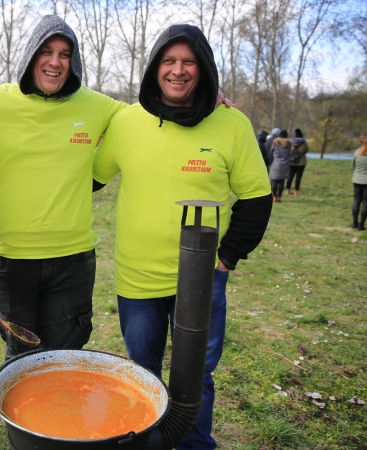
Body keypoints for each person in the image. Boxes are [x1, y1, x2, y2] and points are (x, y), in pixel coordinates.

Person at [0, 16, 232, 360]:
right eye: (46, 52)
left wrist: (205, 97)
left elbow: (153, 114)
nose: (55, 63)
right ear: (30, 56)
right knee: (20, 355)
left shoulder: (99, 107)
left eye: (65, 54)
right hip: (12, 258)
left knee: (65, 355)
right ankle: (24, 433)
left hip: (73, 259)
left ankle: (60, 430)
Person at [92, 24, 272, 449]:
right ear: (155, 68)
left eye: (188, 61)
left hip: (202, 281)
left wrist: (225, 259)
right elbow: (87, 181)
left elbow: (257, 197)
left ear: (203, 67)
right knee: (143, 374)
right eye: (168, 61)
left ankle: (194, 444)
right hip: (137, 282)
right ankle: (149, 443)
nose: (177, 71)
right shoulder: (126, 122)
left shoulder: (231, 123)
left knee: (195, 378)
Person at [269, 130, 291, 202]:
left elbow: (271, 151)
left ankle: (274, 196)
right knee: (282, 182)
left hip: (276, 164)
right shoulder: (288, 143)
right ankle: (279, 197)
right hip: (285, 165)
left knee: (274, 181)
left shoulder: (275, 142)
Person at [286, 128, 309, 195]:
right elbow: (306, 150)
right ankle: (296, 191)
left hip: (291, 162)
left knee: (290, 176)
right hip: (301, 163)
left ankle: (287, 189)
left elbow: (289, 151)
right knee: (298, 177)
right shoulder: (304, 144)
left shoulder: (291, 143)